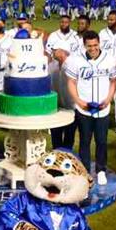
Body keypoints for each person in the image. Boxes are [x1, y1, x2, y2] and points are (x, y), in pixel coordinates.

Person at [65, 30, 116, 185]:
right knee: (84, 141)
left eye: (95, 45)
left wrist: (109, 99)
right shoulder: (76, 60)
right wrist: (78, 101)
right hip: (84, 109)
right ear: (84, 45)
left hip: (103, 108)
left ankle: (101, 171)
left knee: (101, 141)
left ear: (99, 43)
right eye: (89, 46)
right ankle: (85, 171)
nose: (93, 48)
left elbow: (114, 80)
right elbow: (71, 82)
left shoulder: (109, 59)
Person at [46, 16, 80, 149]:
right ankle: (56, 157)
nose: (53, 52)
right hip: (56, 108)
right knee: (56, 139)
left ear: (63, 52)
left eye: (55, 50)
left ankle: (66, 157)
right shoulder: (51, 66)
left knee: (69, 138)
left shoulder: (74, 66)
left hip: (71, 108)